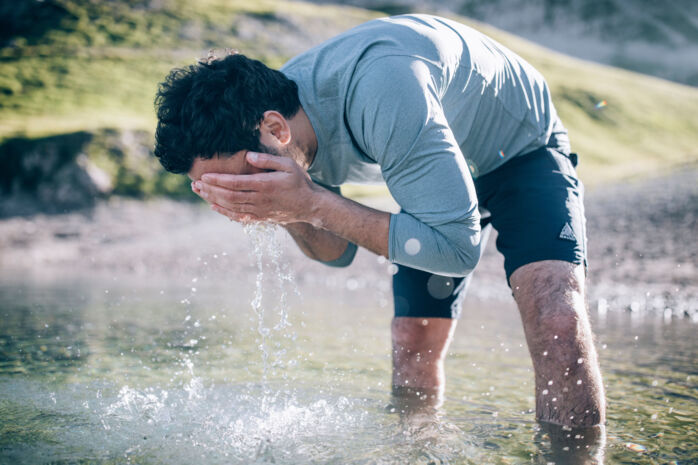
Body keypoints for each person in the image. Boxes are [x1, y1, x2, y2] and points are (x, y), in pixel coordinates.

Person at [153, 14, 605, 432]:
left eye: (242, 181)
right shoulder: (281, 128)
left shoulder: (383, 89)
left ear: (276, 129)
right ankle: (419, 453)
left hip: (518, 151)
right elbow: (335, 253)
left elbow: (457, 250)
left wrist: (309, 203)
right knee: (412, 339)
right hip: (429, 158)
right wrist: (284, 210)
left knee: (557, 317)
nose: (243, 194)